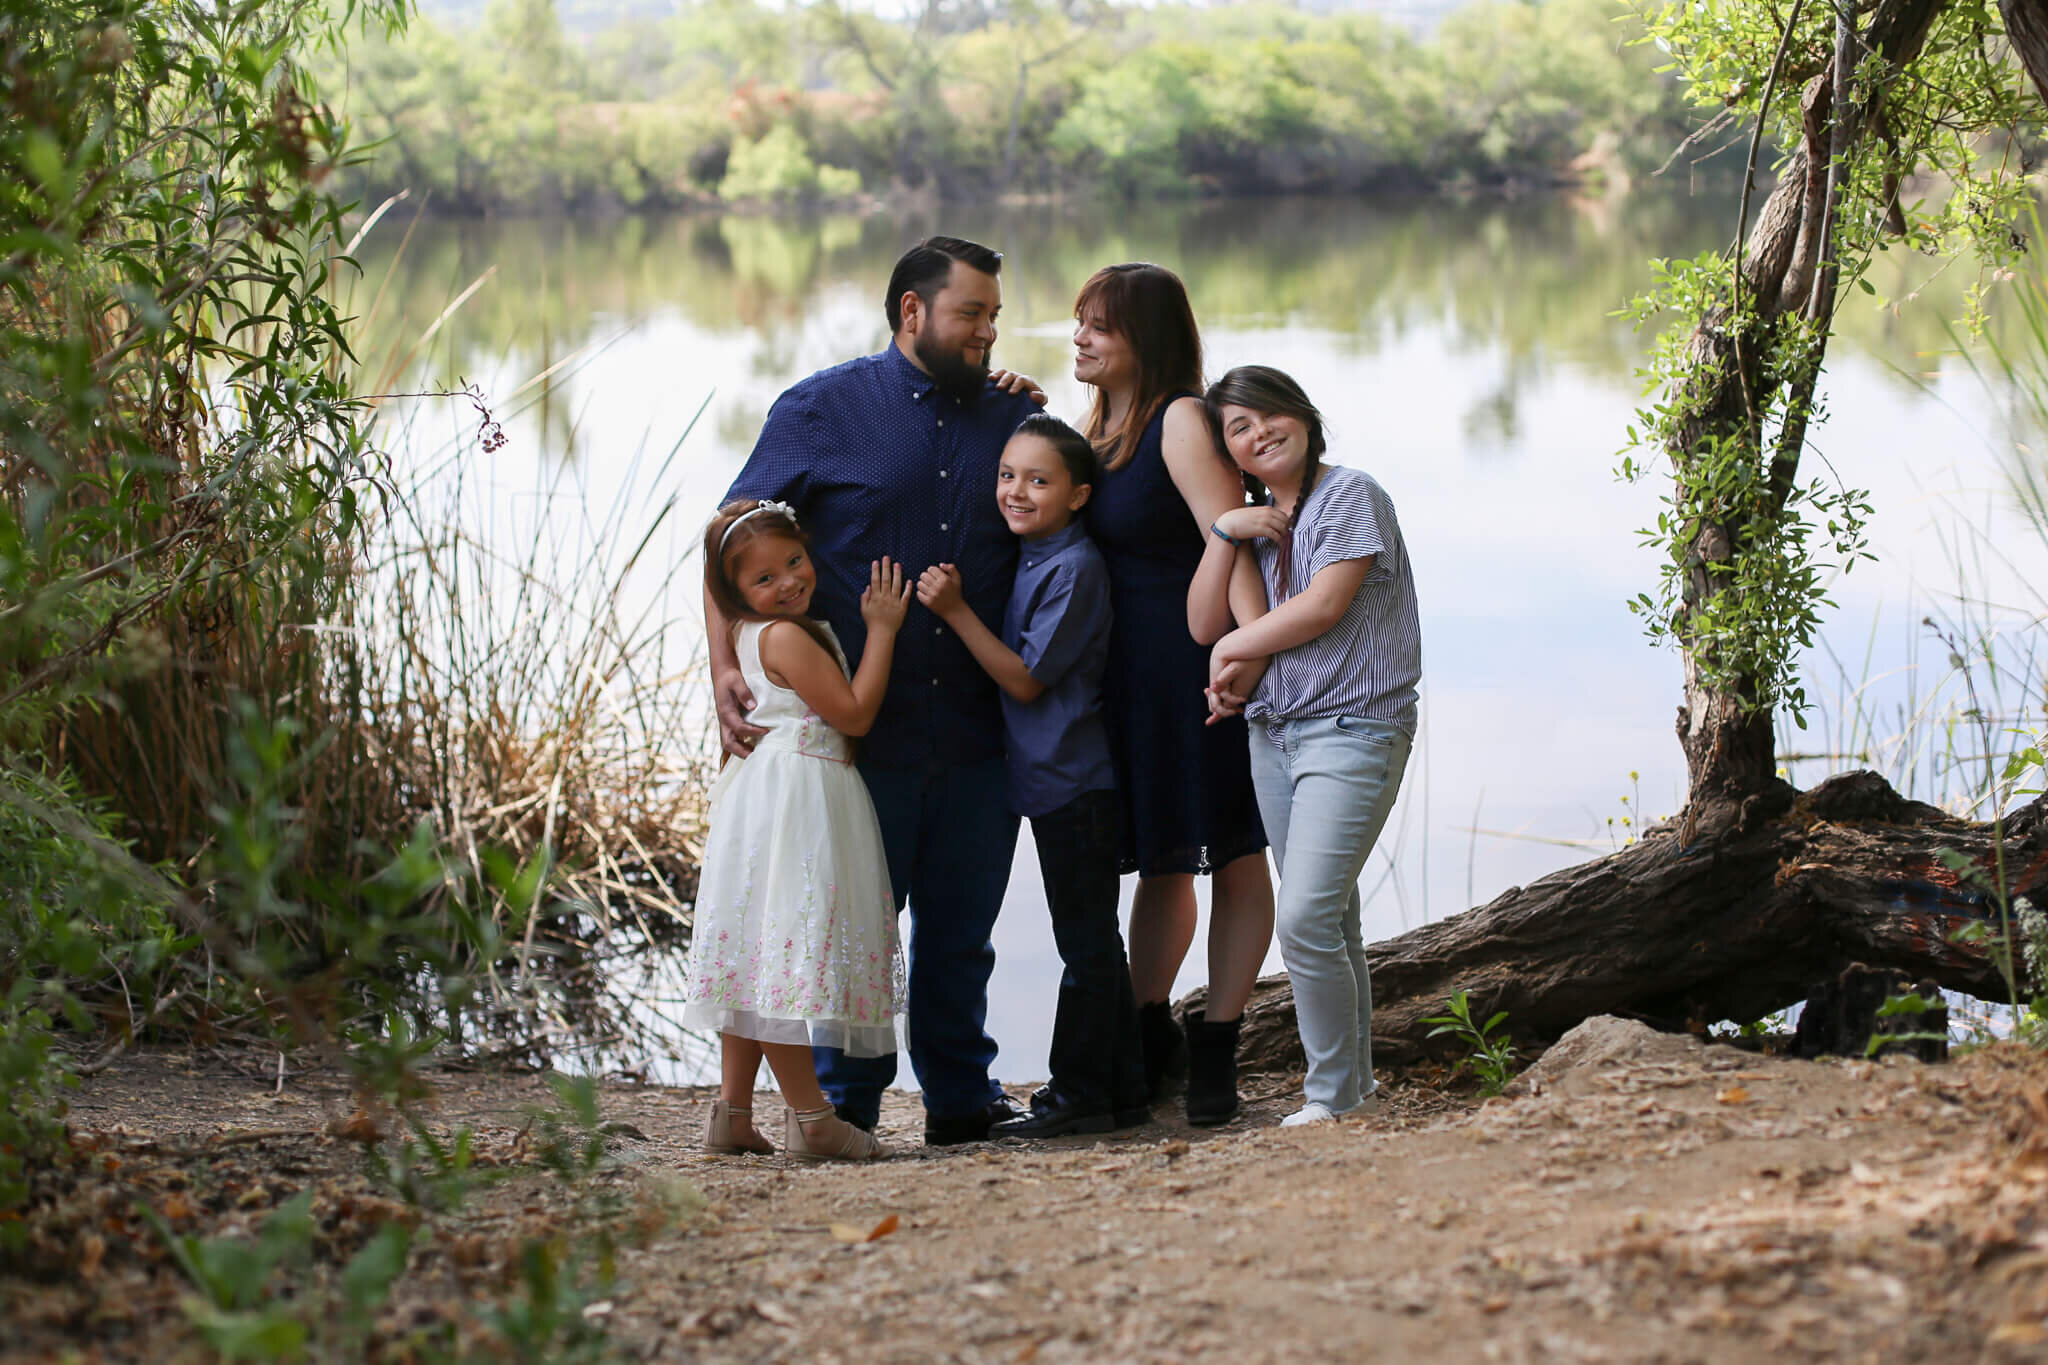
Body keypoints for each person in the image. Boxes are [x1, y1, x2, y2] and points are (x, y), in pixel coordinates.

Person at [710, 236, 1043, 1146]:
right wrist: (725, 666)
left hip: (978, 723)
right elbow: (730, 536)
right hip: (859, 733)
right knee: (854, 925)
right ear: (911, 312)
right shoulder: (819, 409)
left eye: (993, 318)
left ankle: (961, 1102)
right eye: (971, 313)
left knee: (963, 931)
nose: (986, 331)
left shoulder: (1011, 421)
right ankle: (844, 1106)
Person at [1189, 365, 1422, 1126]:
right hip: (1276, 736)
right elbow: (1204, 622)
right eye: (1239, 429)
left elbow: (1322, 607)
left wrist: (1232, 656)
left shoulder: (1351, 493)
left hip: (1355, 728)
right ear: (1233, 454)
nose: (1260, 433)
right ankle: (1353, 1091)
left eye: (1268, 415)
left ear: (1303, 414)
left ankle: (1326, 1094)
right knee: (1334, 918)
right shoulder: (1254, 522)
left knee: (1305, 917)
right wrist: (1226, 531)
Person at [1072, 262, 1272, 1126]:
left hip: (1198, 667)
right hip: (1126, 678)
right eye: (1078, 321)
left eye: (1099, 326)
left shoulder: (1181, 419)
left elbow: (1231, 536)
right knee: (1161, 855)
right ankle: (1153, 1033)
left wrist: (1250, 656)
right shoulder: (1095, 424)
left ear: (1144, 340)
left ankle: (1218, 1044)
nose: (1079, 337)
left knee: (1230, 850)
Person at [914, 414, 1149, 1137]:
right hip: (1048, 780)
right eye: (1007, 474)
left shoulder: (1074, 568)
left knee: (1085, 943)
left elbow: (1023, 680)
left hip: (1074, 782)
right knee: (1090, 940)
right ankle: (1121, 1091)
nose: (1016, 490)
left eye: (1038, 480)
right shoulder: (1037, 552)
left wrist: (953, 611)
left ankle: (1078, 1093)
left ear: (1078, 495)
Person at [686, 499, 912, 1160]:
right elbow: (855, 713)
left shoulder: (757, 630)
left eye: (793, 560)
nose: (787, 581)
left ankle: (730, 1112)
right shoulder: (783, 635)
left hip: (773, 792)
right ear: (735, 593)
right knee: (779, 963)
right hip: (796, 797)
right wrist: (884, 627)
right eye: (763, 578)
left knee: (755, 955)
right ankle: (812, 1118)